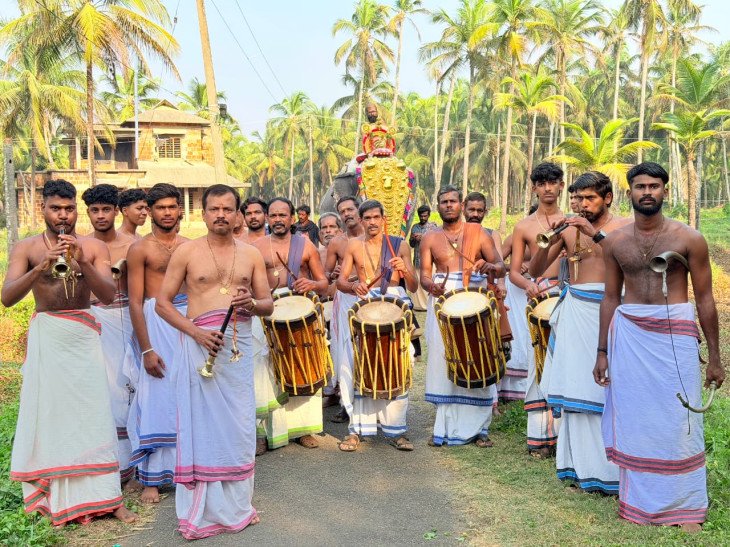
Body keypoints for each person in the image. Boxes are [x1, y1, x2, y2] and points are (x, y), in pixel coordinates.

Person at [594, 162, 725, 530]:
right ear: (630, 193)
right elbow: (610, 297)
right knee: (636, 416)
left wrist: (715, 357)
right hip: (630, 336)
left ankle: (685, 506)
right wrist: (602, 351)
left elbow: (705, 299)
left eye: (654, 186)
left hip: (675, 333)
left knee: (679, 418)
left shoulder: (689, 238)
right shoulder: (615, 242)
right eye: (640, 186)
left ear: (665, 191)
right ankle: (639, 503)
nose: (647, 192)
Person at [1, 179, 136, 525]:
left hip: (84, 335)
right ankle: (60, 498)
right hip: (50, 335)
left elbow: (107, 295)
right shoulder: (27, 247)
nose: (63, 215)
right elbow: (7, 297)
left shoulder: (94, 247)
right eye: (56, 208)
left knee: (95, 414)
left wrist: (83, 261)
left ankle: (109, 498)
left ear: (77, 210)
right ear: (43, 209)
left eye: (69, 208)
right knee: (54, 416)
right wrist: (39, 267)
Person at [156, 184, 273, 540]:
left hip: (237, 349)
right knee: (202, 424)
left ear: (238, 214)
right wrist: (196, 333)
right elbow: (162, 304)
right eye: (214, 209)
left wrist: (251, 304)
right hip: (200, 347)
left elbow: (268, 305)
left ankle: (237, 507)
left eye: (227, 209)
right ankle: (202, 511)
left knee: (238, 424)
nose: (221, 215)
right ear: (203, 213)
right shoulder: (187, 252)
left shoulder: (251, 254)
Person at [529, 171, 630, 495]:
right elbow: (534, 270)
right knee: (576, 388)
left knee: (608, 390)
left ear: (607, 198)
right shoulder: (569, 230)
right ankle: (580, 469)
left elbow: (629, 261)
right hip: (575, 312)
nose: (583, 204)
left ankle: (613, 473)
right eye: (579, 198)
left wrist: (594, 234)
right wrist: (549, 240)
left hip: (612, 310)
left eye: (590, 198)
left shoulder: (624, 226)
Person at [419, 185, 506, 447]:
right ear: (438, 206)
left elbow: (501, 267)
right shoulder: (430, 238)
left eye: (453, 201)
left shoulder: (478, 233)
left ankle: (480, 430)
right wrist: (431, 286)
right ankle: (443, 428)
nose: (448, 205)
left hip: (475, 301)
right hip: (442, 300)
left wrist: (489, 266)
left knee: (478, 354)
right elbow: (424, 275)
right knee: (443, 357)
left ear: (461, 204)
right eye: (443, 201)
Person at [335, 199, 419, 452]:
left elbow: (414, 286)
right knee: (359, 365)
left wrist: (405, 270)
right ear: (361, 220)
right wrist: (353, 286)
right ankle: (356, 430)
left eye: (376, 217)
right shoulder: (354, 245)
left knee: (399, 364)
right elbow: (340, 282)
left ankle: (397, 431)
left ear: (384, 219)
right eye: (367, 218)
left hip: (395, 308)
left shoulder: (399, 245)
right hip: (365, 310)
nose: (372, 222)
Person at [126, 183, 188, 504]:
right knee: (156, 397)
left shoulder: (191, 246)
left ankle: (186, 470)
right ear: (150, 211)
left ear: (180, 209)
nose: (167, 212)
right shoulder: (140, 249)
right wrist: (146, 349)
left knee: (186, 395)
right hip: (156, 324)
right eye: (160, 207)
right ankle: (150, 477)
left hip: (186, 322)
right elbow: (135, 302)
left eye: (171, 206)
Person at [252, 197, 329, 449]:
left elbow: (324, 283)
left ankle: (303, 429)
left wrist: (312, 283)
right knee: (263, 367)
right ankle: (263, 433)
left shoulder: (306, 246)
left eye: (282, 215)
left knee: (302, 363)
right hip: (266, 311)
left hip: (300, 311)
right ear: (267, 218)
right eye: (273, 215)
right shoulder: (256, 247)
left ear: (292, 218)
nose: (277, 220)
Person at [510, 162, 566, 457]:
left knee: (566, 362)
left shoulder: (572, 221)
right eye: (542, 183)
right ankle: (539, 438)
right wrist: (528, 285)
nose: (547, 188)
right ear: (534, 188)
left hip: (569, 295)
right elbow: (514, 272)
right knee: (538, 362)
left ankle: (564, 439)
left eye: (552, 182)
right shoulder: (524, 226)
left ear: (561, 186)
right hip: (539, 296)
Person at [82, 184, 137, 486]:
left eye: (106, 209)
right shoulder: (80, 245)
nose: (101, 215)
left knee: (130, 387)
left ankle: (136, 463)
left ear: (117, 211)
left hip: (127, 318)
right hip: (94, 322)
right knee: (103, 391)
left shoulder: (133, 245)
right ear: (88, 212)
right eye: (95, 210)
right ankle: (111, 465)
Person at [238, 196, 285, 455]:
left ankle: (279, 432)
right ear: (243, 216)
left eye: (258, 212)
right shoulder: (238, 244)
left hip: (274, 308)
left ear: (265, 216)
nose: (253, 217)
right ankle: (257, 433)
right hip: (250, 312)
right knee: (256, 369)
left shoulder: (273, 242)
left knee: (276, 369)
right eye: (249, 213)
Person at [325, 196, 365, 424]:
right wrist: (333, 275)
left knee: (367, 348)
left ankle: (371, 401)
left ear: (359, 210)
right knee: (343, 350)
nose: (347, 213)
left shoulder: (373, 238)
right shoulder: (336, 243)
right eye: (343, 211)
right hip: (345, 299)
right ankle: (345, 402)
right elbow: (326, 275)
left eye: (351, 209)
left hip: (368, 296)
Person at [408, 204, 437, 311]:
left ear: (428, 215)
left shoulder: (433, 227)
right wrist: (413, 239)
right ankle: (418, 305)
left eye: (425, 216)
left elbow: (436, 243)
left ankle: (430, 305)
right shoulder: (415, 227)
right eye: (421, 216)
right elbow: (411, 245)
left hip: (430, 260)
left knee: (429, 281)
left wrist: (423, 237)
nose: (423, 218)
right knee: (419, 283)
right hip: (417, 259)